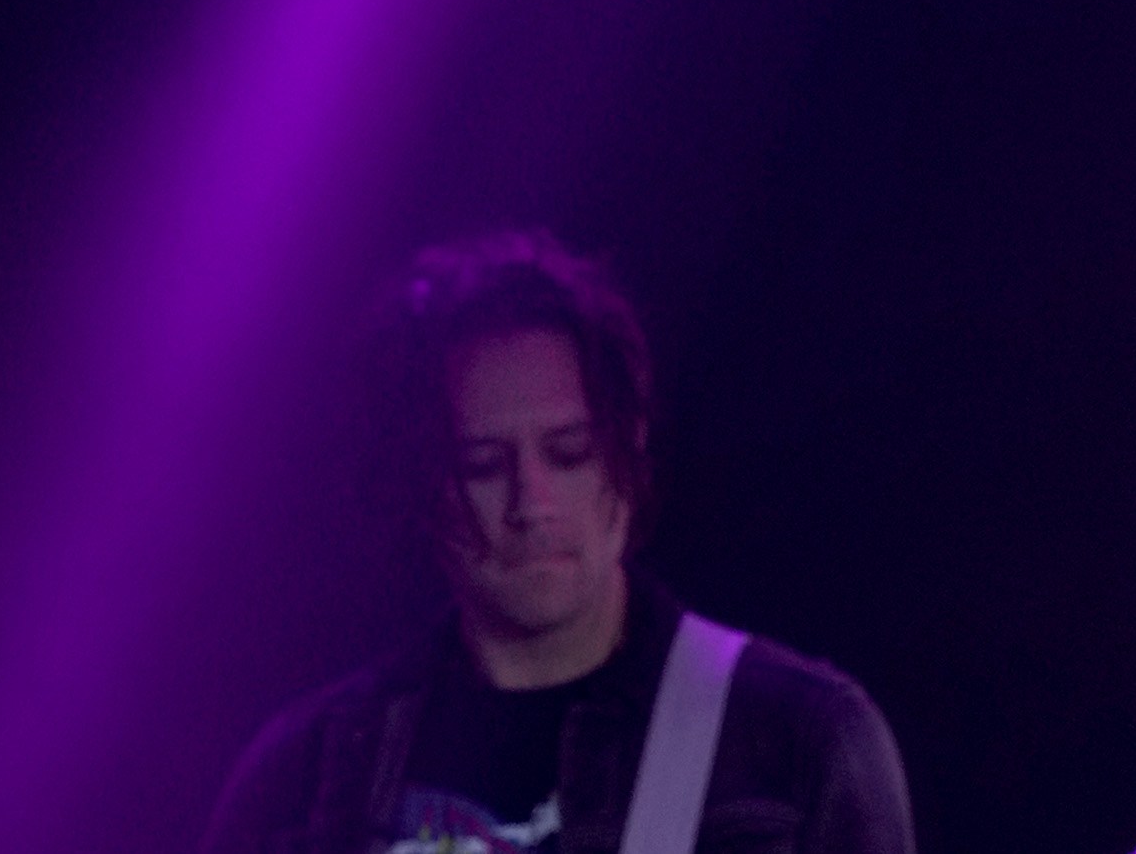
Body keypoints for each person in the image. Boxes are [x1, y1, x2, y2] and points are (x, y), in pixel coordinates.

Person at [203, 231, 914, 854]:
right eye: (482, 464)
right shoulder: (304, 773)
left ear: (627, 449)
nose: (531, 503)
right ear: (421, 482)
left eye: (569, 452)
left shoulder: (799, 741)